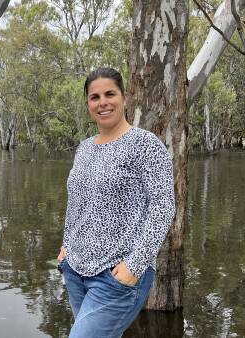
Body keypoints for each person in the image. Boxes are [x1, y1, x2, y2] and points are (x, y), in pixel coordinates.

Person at [56, 67, 175, 338]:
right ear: (88, 103)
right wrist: (66, 246)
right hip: (75, 269)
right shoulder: (84, 148)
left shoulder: (146, 144)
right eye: (94, 97)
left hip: (116, 275)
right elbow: (76, 202)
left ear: (124, 97)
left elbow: (163, 207)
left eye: (110, 94)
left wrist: (135, 265)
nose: (102, 102)